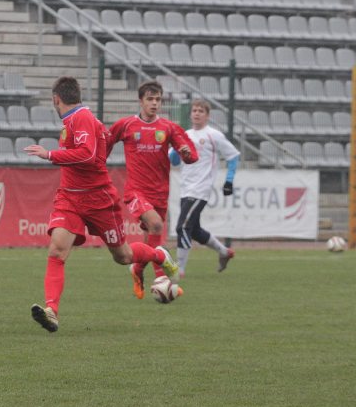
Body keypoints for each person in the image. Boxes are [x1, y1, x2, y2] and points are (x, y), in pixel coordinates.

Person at [24, 76, 180, 333]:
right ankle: (51, 311)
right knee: (56, 251)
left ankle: (158, 254)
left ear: (56, 99)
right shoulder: (78, 120)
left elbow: (86, 153)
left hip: (98, 199)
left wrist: (49, 154)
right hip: (70, 197)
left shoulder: (81, 118)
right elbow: (101, 142)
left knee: (123, 256)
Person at [106, 81, 198, 299]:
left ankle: (137, 270)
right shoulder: (126, 125)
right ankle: (161, 279)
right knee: (156, 225)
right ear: (141, 101)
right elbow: (105, 144)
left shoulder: (168, 128)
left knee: (150, 241)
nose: (154, 103)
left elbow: (192, 155)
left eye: (158, 99)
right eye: (150, 99)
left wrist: (185, 153)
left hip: (160, 192)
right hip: (136, 191)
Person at [169, 98, 240, 277]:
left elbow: (233, 156)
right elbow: (173, 160)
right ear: (190, 114)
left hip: (201, 189)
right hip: (186, 188)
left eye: (201, 111)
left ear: (207, 116)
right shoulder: (184, 135)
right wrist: (178, 150)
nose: (197, 114)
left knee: (182, 227)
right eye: (194, 111)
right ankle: (224, 252)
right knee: (194, 230)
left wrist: (229, 180)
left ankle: (180, 269)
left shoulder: (213, 135)